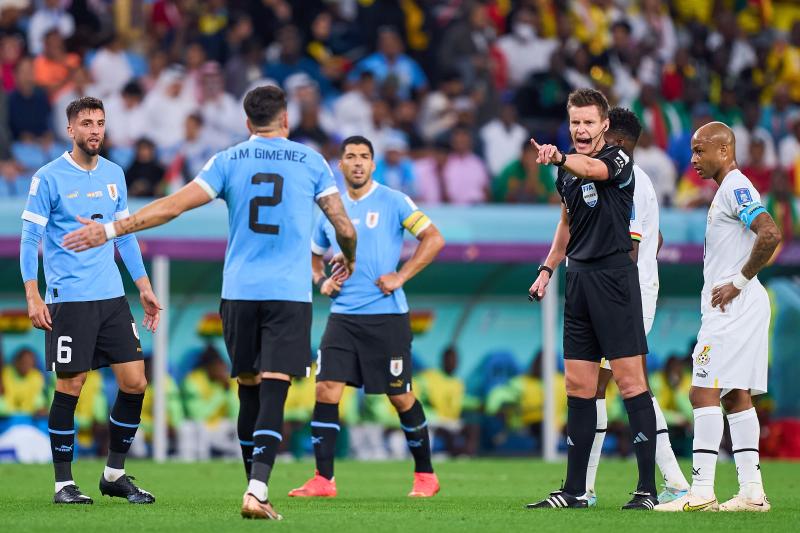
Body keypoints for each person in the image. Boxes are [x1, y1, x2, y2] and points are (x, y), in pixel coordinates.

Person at [62, 86, 357, 521]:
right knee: (276, 384)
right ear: (286, 120)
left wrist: (108, 230)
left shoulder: (229, 160)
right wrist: (347, 258)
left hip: (238, 292)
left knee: (248, 386)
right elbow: (344, 227)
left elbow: (172, 207)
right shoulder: (311, 162)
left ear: (246, 123)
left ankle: (251, 483)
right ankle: (257, 490)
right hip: (287, 292)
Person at [21, 96, 161, 505]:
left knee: (135, 382)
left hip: (112, 297)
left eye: (100, 122)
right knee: (71, 385)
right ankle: (63, 483)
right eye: (86, 123)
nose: (95, 129)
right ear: (71, 130)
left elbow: (126, 234)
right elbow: (30, 239)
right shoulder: (48, 177)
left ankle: (113, 474)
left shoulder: (115, 173)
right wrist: (33, 293)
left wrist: (144, 286)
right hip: (69, 299)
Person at [288, 135, 445, 499]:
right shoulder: (330, 209)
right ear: (340, 165)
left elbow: (434, 239)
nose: (357, 162)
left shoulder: (393, 200)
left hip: (386, 316)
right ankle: (323, 480)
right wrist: (320, 281)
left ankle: (425, 475)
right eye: (350, 157)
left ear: (373, 165)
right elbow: (313, 256)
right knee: (326, 389)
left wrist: (400, 276)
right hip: (343, 317)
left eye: (364, 157)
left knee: (400, 396)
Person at [526, 89, 658, 510]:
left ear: (604, 125)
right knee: (578, 387)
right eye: (575, 122)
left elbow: (590, 169)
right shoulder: (565, 170)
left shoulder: (618, 159)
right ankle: (575, 490)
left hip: (615, 279)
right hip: (578, 280)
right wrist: (547, 268)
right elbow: (566, 220)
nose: (580, 130)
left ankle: (646, 490)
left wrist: (560, 158)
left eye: (588, 122)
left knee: (631, 382)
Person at [655, 122, 781, 512]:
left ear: (724, 151)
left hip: (733, 305)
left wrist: (738, 281)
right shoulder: (726, 190)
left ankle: (702, 490)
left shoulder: (736, 187)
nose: (692, 159)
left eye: (699, 150)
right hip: (737, 305)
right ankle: (751, 492)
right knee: (734, 394)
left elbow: (770, 233)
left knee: (702, 390)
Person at [584, 107, 690, 506]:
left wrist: (615, 288)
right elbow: (655, 239)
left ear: (616, 140)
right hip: (630, 290)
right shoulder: (638, 180)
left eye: (600, 133)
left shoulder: (624, 177)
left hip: (624, 294)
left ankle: (590, 486)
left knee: (622, 386)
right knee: (610, 385)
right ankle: (589, 486)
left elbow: (630, 247)